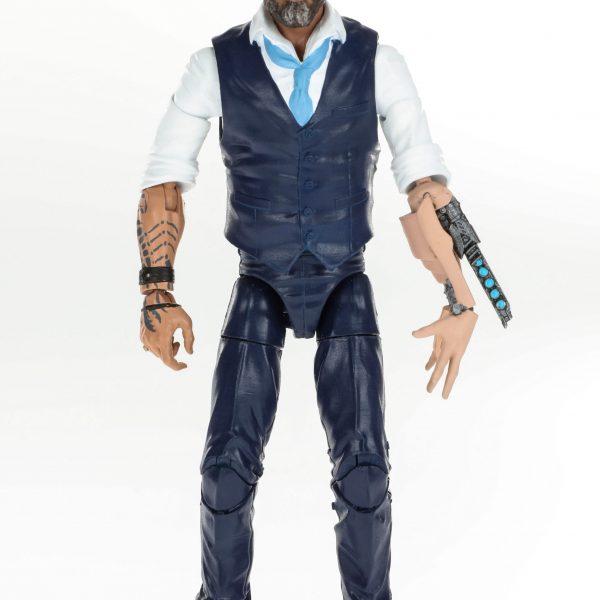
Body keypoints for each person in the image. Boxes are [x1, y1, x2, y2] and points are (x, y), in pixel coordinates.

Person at [136, 1, 479, 598]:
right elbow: (165, 179)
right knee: (224, 474)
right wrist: (156, 291)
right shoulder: (217, 63)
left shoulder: (377, 61)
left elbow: (424, 184)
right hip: (259, 277)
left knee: (365, 473)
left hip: (344, 278)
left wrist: (459, 296)